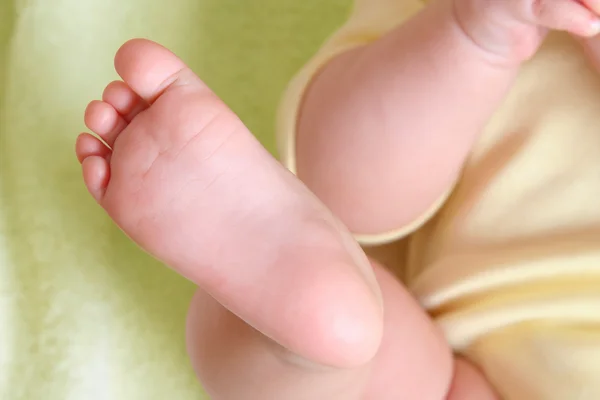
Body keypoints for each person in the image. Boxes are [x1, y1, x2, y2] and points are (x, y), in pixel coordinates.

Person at [75, 0, 600, 397]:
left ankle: (325, 327)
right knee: (317, 343)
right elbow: (341, 181)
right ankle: (315, 313)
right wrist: (475, 32)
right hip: (444, 371)